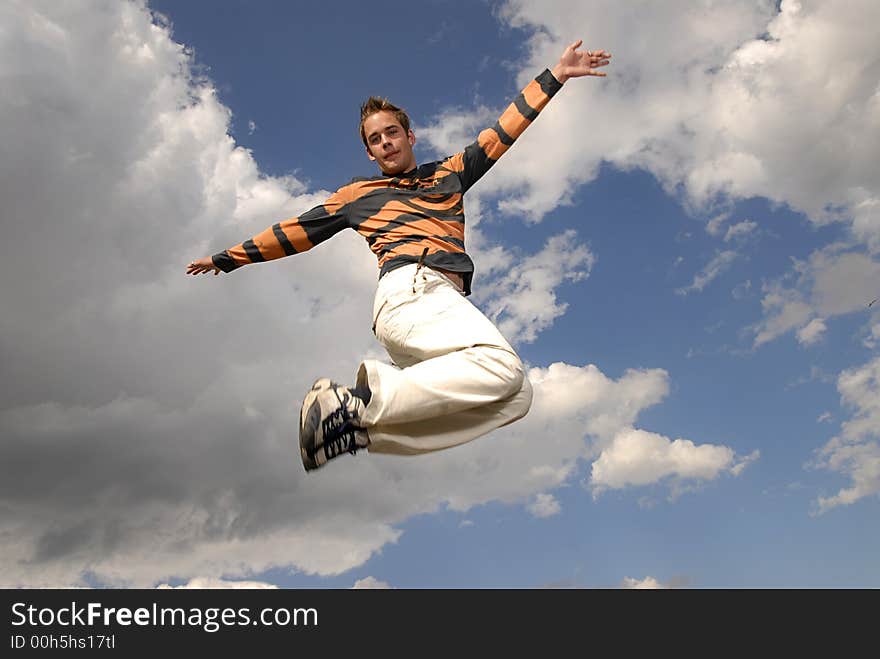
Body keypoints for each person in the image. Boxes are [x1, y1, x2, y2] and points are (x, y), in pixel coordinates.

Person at [187, 39, 611, 471]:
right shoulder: (358, 195)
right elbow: (297, 231)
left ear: (409, 136)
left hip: (427, 306)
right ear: (369, 153)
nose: (386, 143)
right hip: (411, 288)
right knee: (503, 368)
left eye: (391, 133)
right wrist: (228, 257)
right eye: (375, 140)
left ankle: (356, 429)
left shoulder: (449, 174)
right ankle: (355, 404)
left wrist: (555, 76)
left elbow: (503, 131)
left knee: (515, 397)